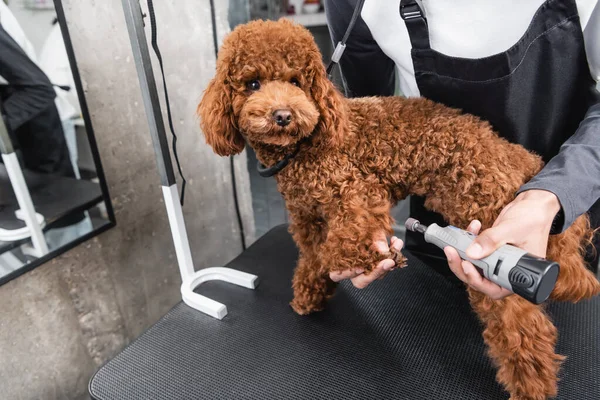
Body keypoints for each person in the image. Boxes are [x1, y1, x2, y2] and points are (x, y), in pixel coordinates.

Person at [324, 0, 600, 299]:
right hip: (439, 224)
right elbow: (370, 127)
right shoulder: (354, 5)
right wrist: (361, 217)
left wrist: (552, 195)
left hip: (567, 205)